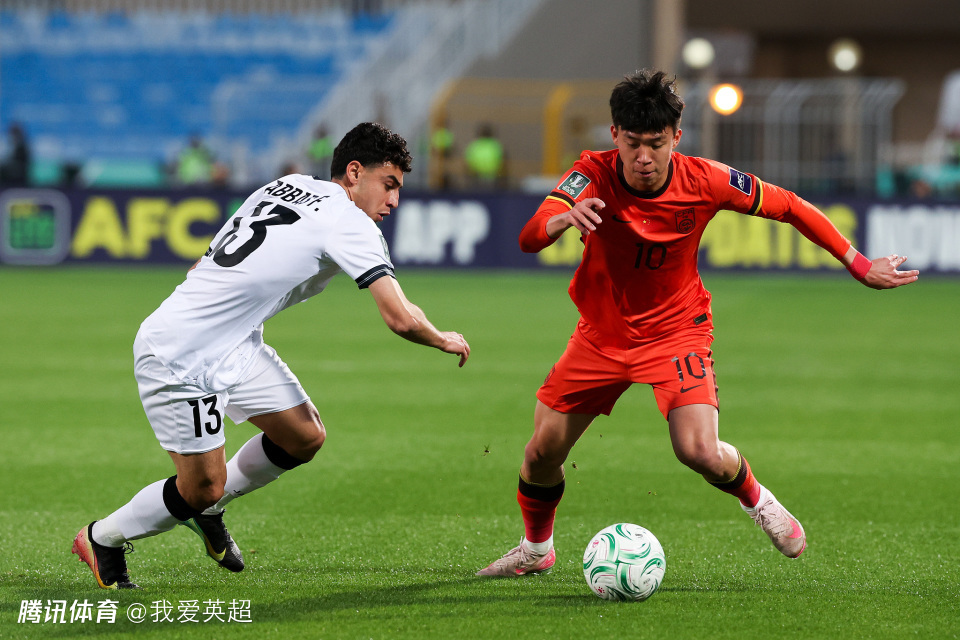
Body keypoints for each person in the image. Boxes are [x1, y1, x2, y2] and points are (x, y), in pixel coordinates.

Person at [477, 70, 918, 577]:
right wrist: (561, 219)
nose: (645, 158)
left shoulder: (705, 179)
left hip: (676, 331)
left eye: (657, 144)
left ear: (676, 138)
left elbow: (791, 206)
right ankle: (536, 551)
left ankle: (757, 499)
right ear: (615, 135)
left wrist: (858, 264)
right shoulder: (589, 174)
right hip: (601, 336)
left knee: (699, 450)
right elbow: (530, 237)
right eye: (634, 143)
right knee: (540, 453)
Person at [73, 122, 471, 589]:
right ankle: (103, 538)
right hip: (181, 353)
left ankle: (210, 510)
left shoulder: (288, 185)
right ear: (354, 172)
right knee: (201, 486)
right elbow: (400, 317)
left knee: (303, 436)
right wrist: (442, 337)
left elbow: (202, 261)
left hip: (234, 341)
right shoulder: (349, 221)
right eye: (389, 185)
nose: (394, 201)